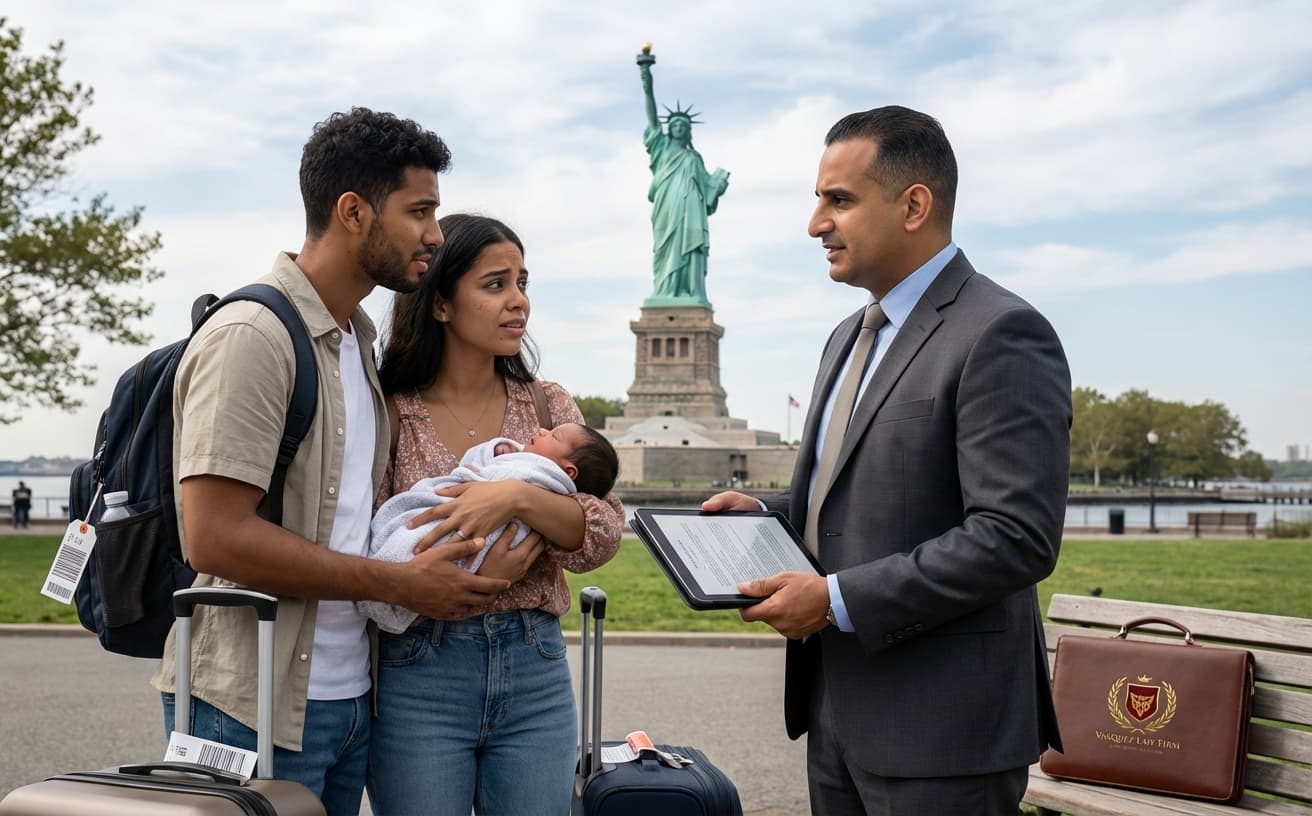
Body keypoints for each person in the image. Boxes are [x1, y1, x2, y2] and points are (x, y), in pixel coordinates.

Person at [702, 106, 1071, 815]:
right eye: (818, 200)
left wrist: (834, 600)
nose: (815, 223)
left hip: (945, 732)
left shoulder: (1001, 332)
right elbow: (856, 495)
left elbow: (1014, 536)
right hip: (836, 715)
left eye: (838, 200)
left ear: (913, 206)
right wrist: (767, 513)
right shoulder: (846, 336)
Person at [152, 108, 514, 816]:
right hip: (250, 704)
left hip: (350, 701)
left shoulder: (356, 342)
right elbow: (215, 536)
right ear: (353, 212)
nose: (435, 236)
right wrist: (400, 583)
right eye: (419, 211)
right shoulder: (254, 336)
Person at [365, 213, 624, 816]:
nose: (519, 303)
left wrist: (515, 498)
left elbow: (604, 530)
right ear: (440, 304)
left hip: (534, 666)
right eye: (495, 284)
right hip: (419, 669)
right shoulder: (389, 408)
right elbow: (370, 534)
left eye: (523, 283)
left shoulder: (545, 402)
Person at [360, 422, 619, 632]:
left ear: (569, 472)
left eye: (553, 435)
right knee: (415, 539)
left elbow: (605, 532)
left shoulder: (547, 412)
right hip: (422, 649)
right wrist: (496, 452)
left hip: (531, 644)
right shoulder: (394, 406)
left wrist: (516, 495)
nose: (542, 430)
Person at [637, 52, 730, 305]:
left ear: (688, 131)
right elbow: (651, 114)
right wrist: (647, 77)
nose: (678, 127)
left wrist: (718, 185)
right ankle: (665, 291)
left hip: (691, 212)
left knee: (691, 251)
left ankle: (690, 293)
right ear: (669, 128)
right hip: (667, 208)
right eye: (674, 124)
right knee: (665, 249)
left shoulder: (694, 158)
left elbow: (708, 193)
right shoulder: (661, 148)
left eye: (682, 125)